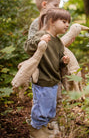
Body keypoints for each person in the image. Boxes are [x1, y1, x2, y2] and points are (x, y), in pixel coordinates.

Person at [25, 8, 71, 138]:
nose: (67, 25)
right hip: (42, 79)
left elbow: (58, 62)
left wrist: (63, 61)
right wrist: (40, 41)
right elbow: (28, 47)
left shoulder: (58, 42)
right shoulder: (41, 35)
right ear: (51, 21)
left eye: (68, 22)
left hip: (54, 80)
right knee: (41, 107)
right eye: (64, 21)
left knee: (52, 107)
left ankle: (46, 128)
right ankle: (36, 129)